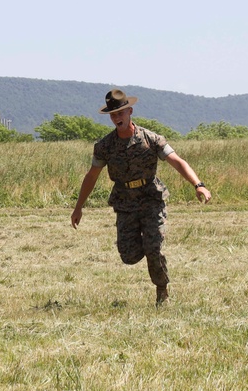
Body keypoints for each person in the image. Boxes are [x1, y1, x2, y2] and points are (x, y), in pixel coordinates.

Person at [71, 89, 212, 305]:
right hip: (124, 201)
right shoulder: (104, 146)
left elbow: (177, 161)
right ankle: (145, 250)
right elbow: (91, 176)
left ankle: (162, 290)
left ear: (130, 111)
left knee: (153, 247)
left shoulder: (151, 139)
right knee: (128, 256)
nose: (117, 118)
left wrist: (198, 185)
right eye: (113, 115)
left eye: (120, 113)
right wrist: (78, 207)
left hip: (151, 199)